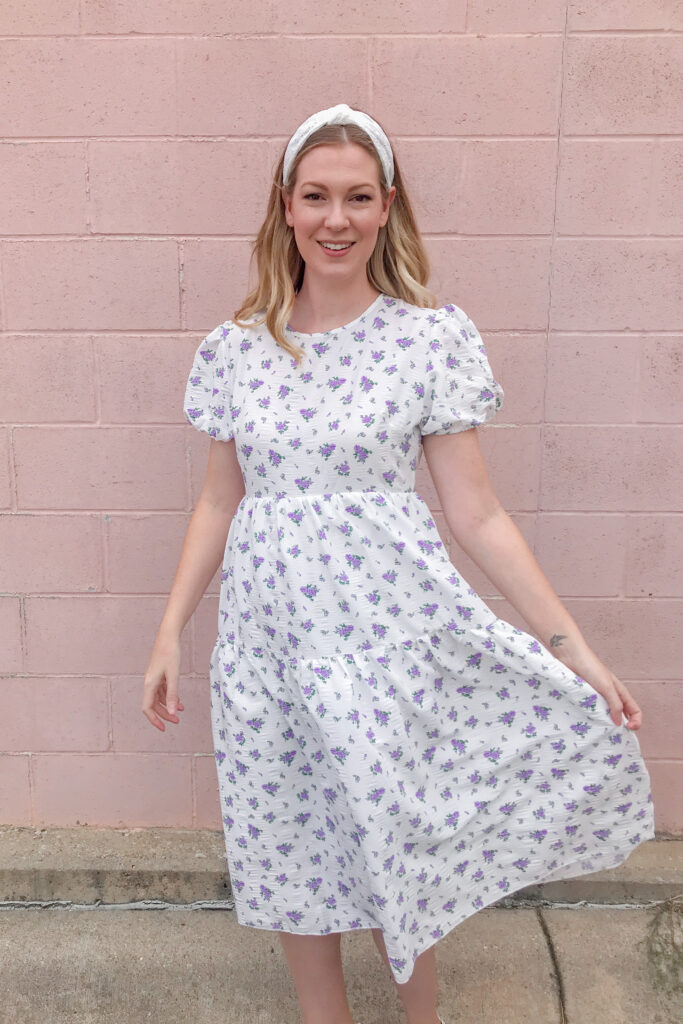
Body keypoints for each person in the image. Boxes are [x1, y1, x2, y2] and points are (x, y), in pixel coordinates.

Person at [142, 103, 655, 1024]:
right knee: (288, 835)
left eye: (356, 197)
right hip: (268, 647)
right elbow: (221, 499)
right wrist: (171, 629)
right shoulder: (236, 349)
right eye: (315, 197)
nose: (334, 218)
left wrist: (571, 646)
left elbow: (477, 511)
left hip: (387, 646)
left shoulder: (429, 339)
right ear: (286, 208)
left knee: (394, 843)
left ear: (386, 208)